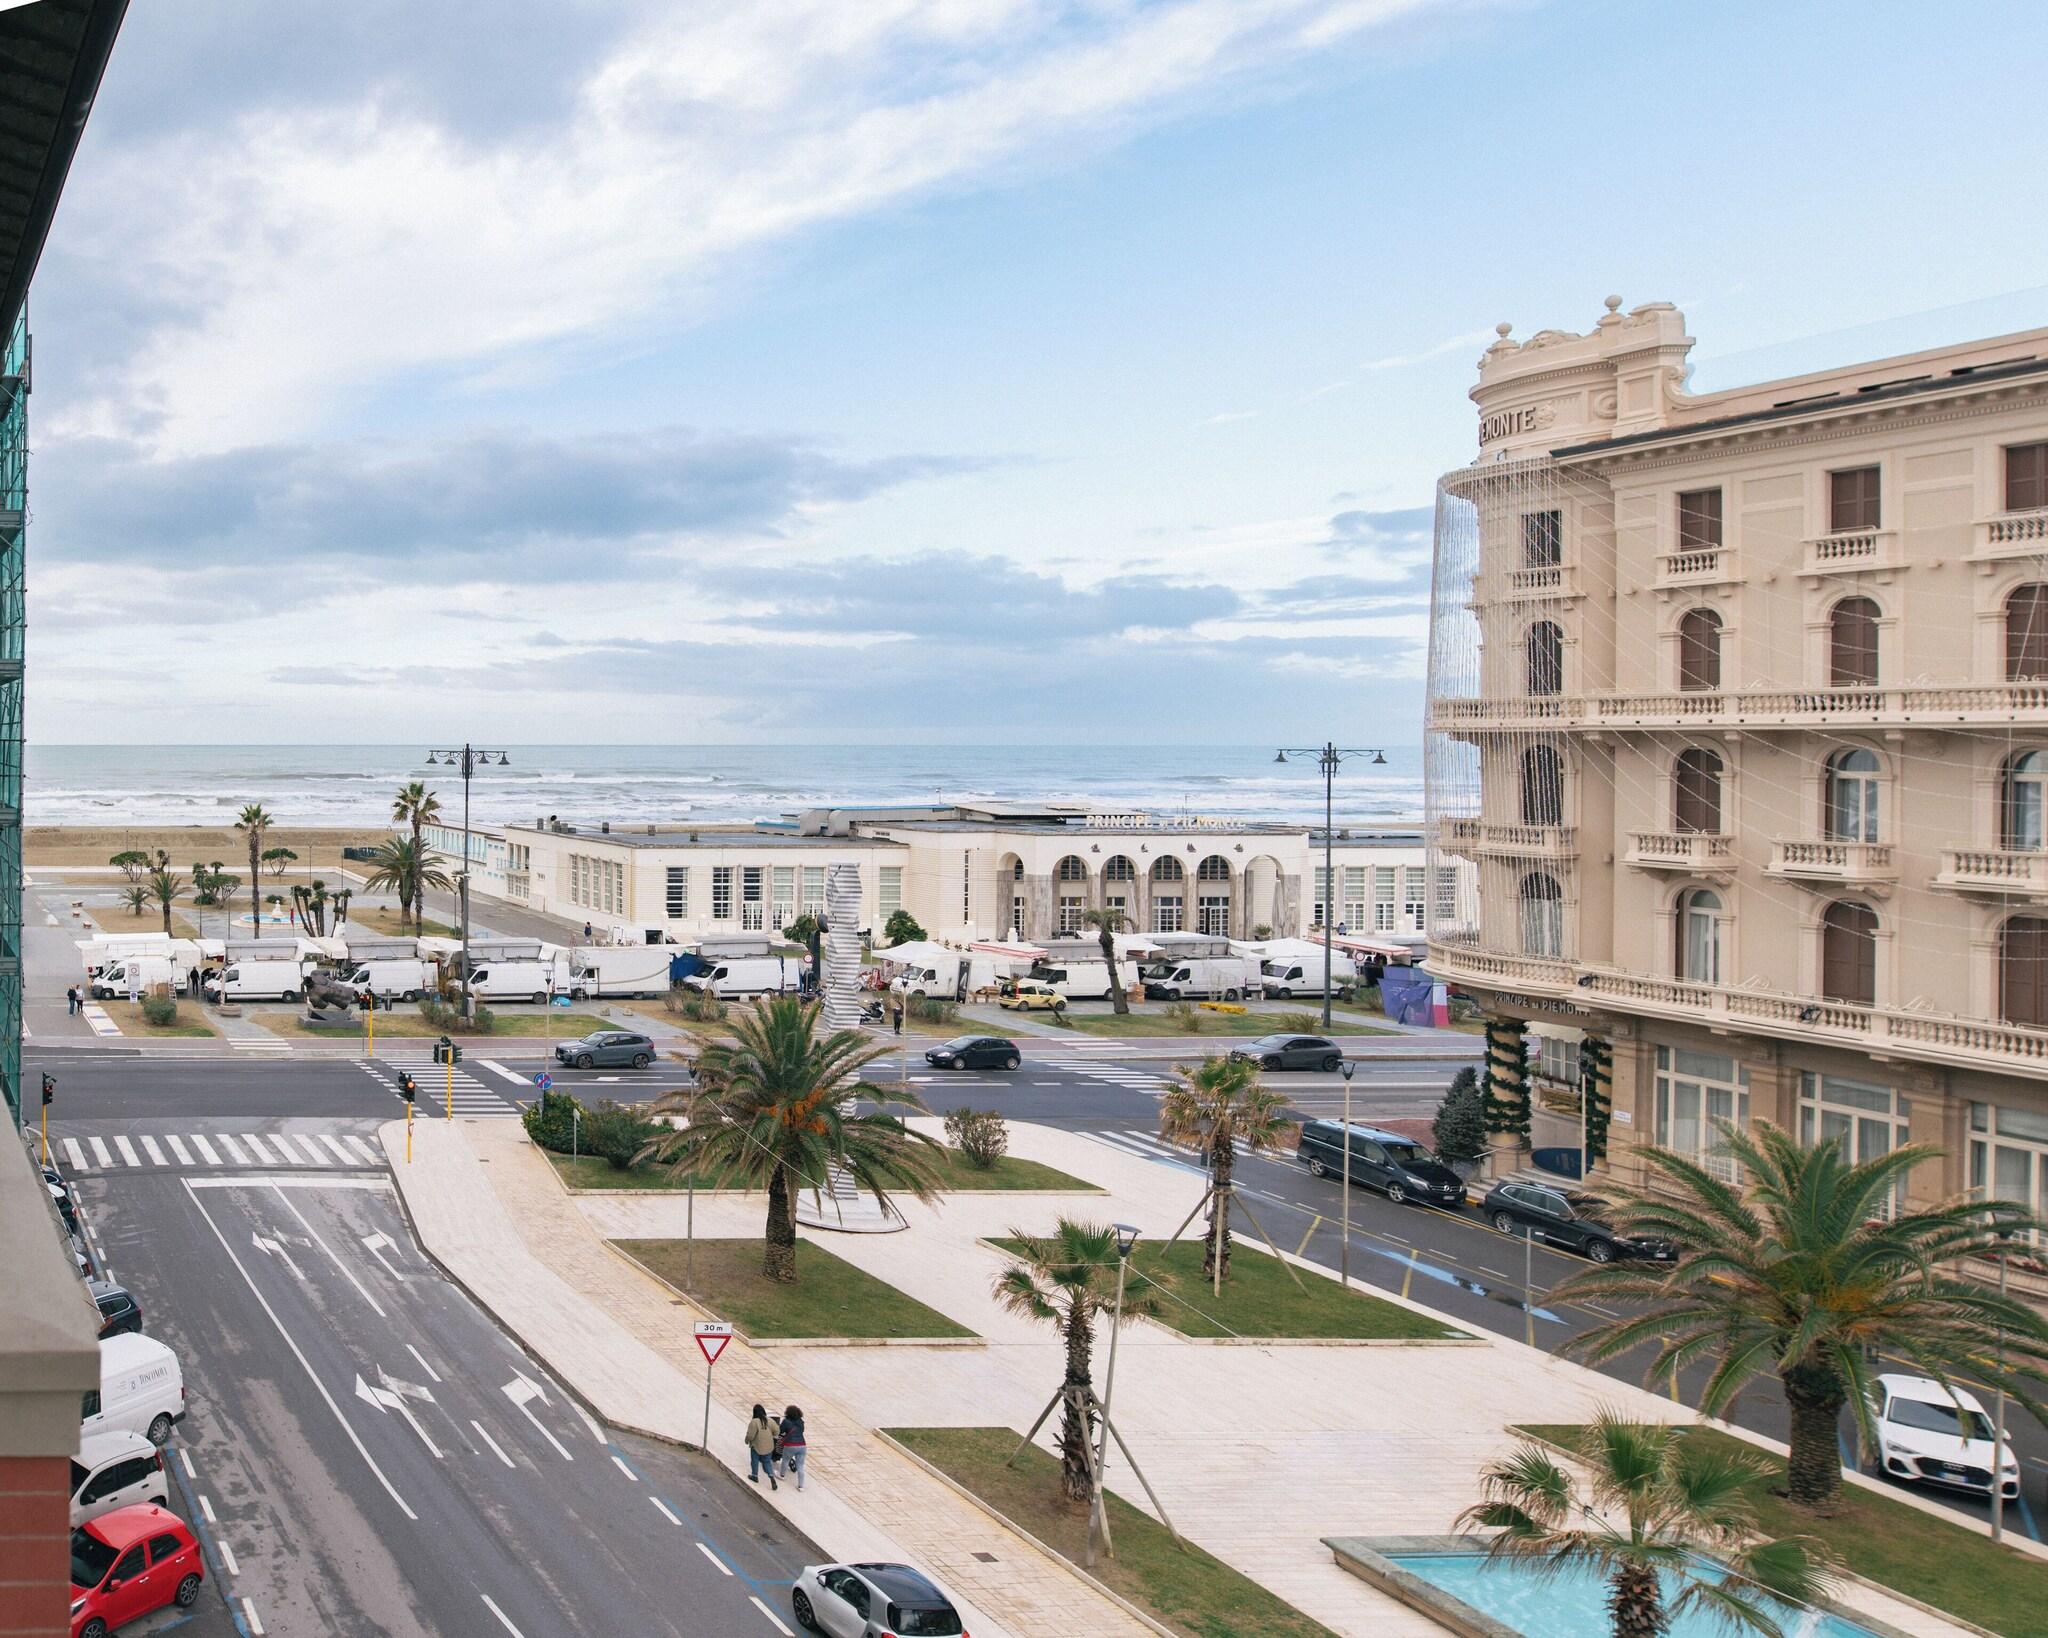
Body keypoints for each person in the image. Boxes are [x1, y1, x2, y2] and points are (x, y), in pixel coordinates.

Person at [745, 1404, 779, 1489]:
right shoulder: (770, 1421)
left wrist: (747, 1440)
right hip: (769, 1446)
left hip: (757, 1446)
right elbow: (777, 1431)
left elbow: (750, 1435)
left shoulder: (754, 1422)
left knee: (755, 1460)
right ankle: (771, 1476)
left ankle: (754, 1476)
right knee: (767, 1462)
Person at [778, 1405, 807, 1490]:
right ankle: (801, 1486)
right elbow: (802, 1431)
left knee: (785, 1460)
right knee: (800, 1466)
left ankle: (782, 1475)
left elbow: (780, 1431)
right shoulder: (801, 1421)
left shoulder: (786, 1421)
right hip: (802, 1445)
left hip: (790, 1445)